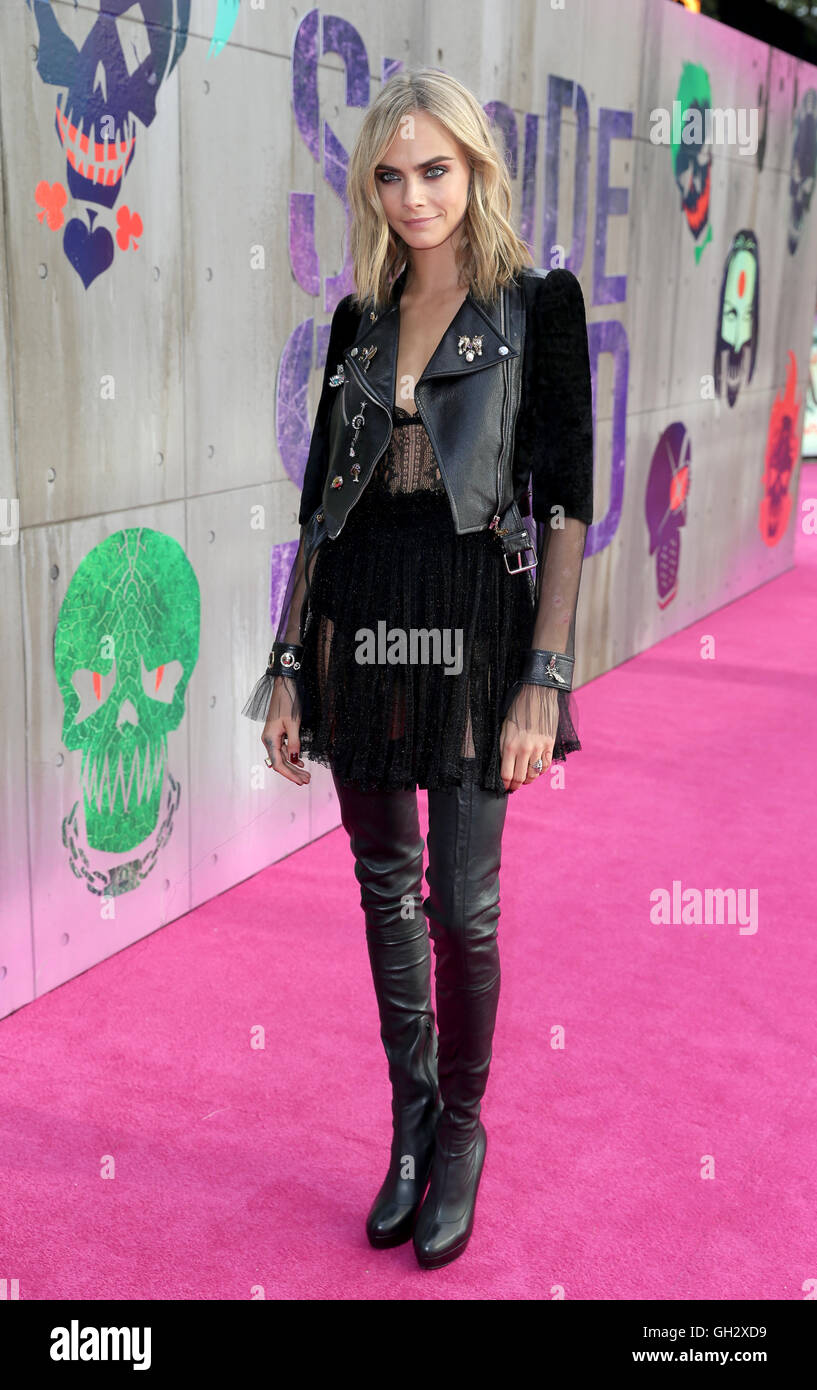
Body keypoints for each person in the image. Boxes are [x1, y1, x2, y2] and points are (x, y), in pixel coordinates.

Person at [242, 68, 594, 1270]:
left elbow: (565, 504)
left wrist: (544, 676)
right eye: (389, 175)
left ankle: (459, 1132)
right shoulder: (357, 321)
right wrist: (288, 661)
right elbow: (317, 510)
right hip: (362, 621)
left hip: (475, 627)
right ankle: (404, 1125)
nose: (411, 195)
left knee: (461, 904)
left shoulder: (538, 304)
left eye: (434, 169)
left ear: (476, 169)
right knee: (382, 885)